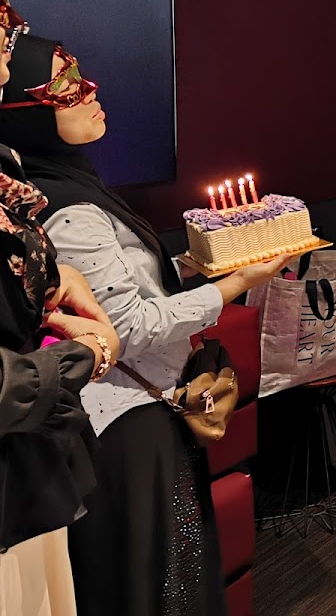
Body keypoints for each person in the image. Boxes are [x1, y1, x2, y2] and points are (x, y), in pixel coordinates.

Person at [0, 35, 287, 616]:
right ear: (25, 112)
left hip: (136, 415)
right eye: (63, 86)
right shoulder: (66, 210)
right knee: (159, 585)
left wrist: (198, 269)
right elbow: (128, 325)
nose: (90, 91)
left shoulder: (68, 187)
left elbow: (124, 290)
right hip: (123, 425)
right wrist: (235, 284)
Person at [0, 0, 121, 616]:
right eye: (64, 83)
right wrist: (80, 356)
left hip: (32, 462)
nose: (6, 45)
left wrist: (50, 283)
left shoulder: (17, 184)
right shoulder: (64, 205)